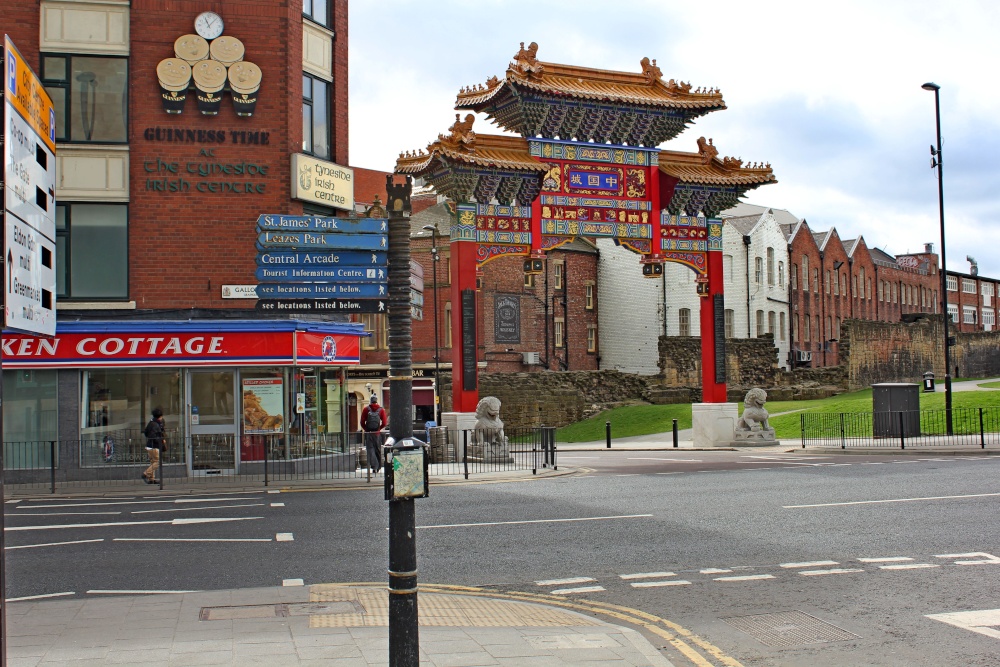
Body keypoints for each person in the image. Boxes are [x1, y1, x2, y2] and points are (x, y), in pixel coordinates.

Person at [360, 395, 386, 473]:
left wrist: (366, 429)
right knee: (377, 449)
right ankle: (378, 467)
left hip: (369, 433)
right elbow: (384, 423)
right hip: (377, 433)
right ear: (376, 400)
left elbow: (362, 422)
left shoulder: (366, 409)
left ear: (370, 401)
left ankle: (374, 466)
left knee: (370, 449)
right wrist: (379, 429)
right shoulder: (381, 410)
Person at [143, 407, 166, 484]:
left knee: (153, 462)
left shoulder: (151, 423)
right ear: (159, 416)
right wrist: (160, 441)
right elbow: (154, 436)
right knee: (158, 462)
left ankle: (151, 479)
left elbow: (146, 433)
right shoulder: (156, 425)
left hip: (149, 445)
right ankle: (146, 473)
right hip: (154, 446)